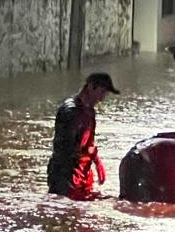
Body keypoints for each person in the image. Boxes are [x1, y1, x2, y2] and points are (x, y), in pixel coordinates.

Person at [47, 72, 120, 200]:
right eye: (102, 92)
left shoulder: (90, 111)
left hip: (82, 172)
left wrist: (97, 163)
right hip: (66, 175)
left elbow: (89, 143)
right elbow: (63, 148)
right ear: (91, 87)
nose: (102, 99)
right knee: (68, 208)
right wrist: (72, 179)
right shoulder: (70, 111)